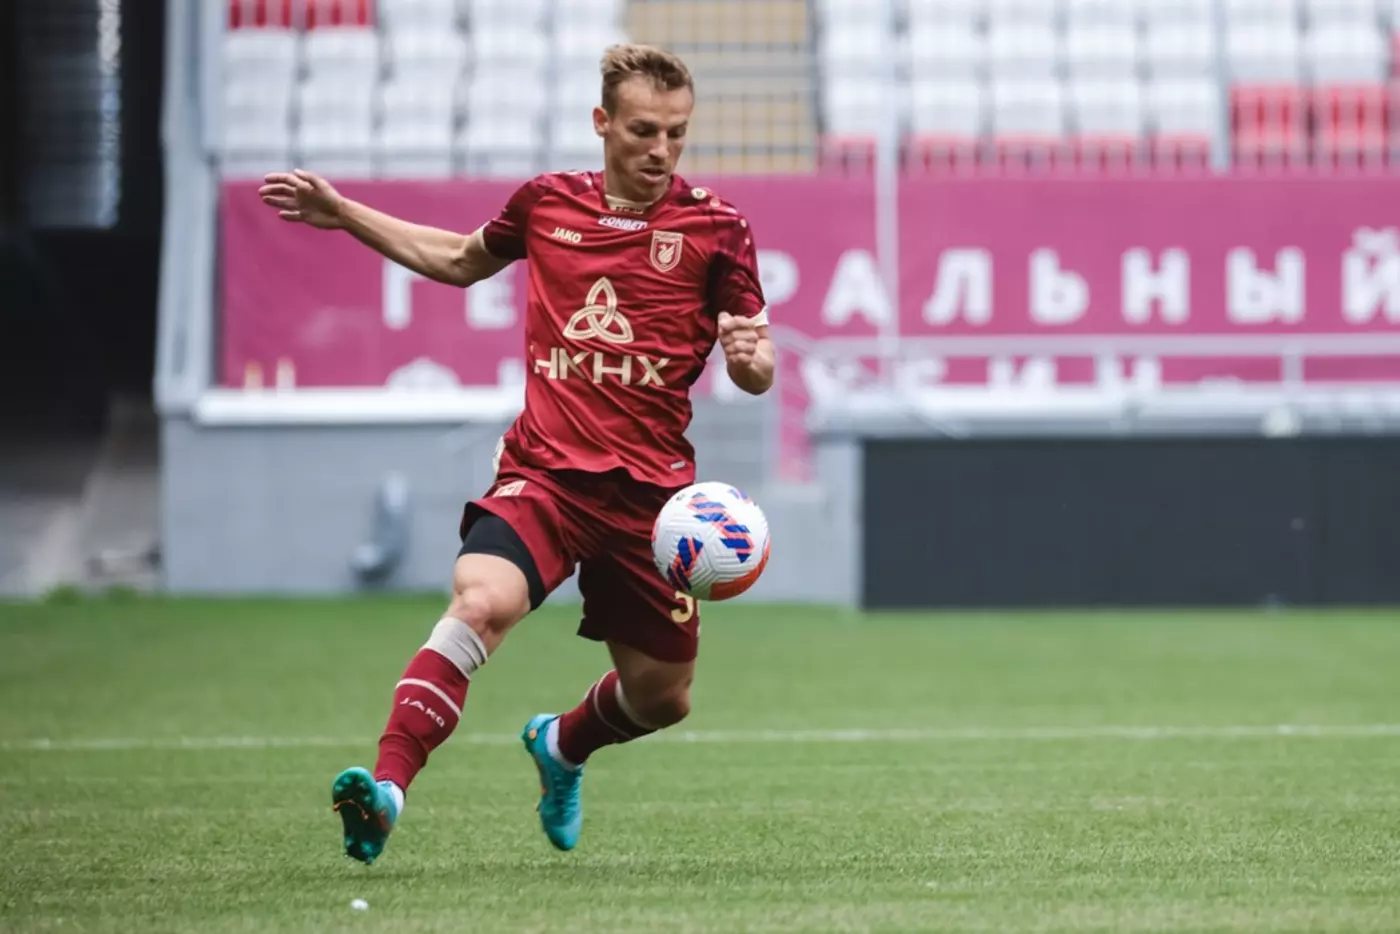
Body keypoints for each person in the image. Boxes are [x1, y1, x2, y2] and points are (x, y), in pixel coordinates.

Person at [256, 44, 774, 863]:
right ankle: (386, 793)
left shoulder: (718, 228)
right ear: (602, 122)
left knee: (662, 698)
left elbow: (757, 365)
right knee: (478, 606)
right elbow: (459, 261)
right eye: (643, 130)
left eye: (676, 133)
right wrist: (346, 212)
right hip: (546, 476)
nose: (661, 150)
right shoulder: (547, 204)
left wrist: (749, 360)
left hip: (650, 505)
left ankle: (561, 745)